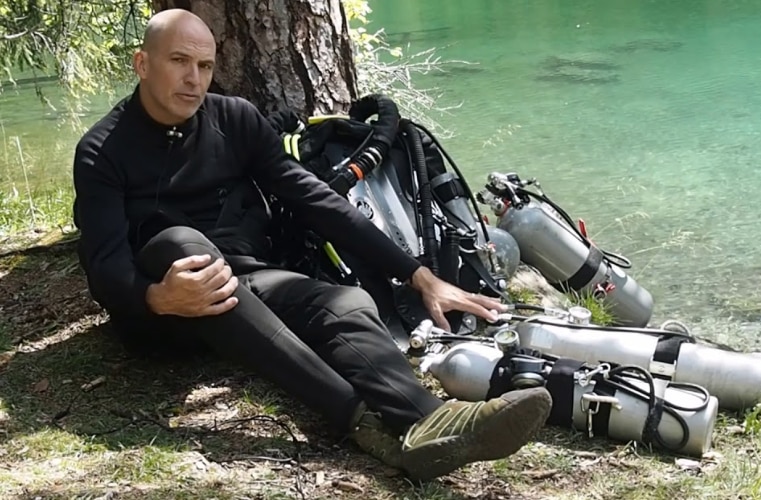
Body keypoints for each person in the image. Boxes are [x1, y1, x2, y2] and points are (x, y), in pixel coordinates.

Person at [71, 8, 552, 481]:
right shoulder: (102, 150)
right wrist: (157, 297)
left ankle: (427, 420)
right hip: (166, 312)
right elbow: (104, 265)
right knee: (181, 244)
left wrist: (418, 275)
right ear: (142, 63)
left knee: (344, 303)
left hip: (245, 284)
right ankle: (368, 424)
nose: (194, 79)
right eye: (179, 61)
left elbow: (315, 199)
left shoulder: (234, 119)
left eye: (205, 65)